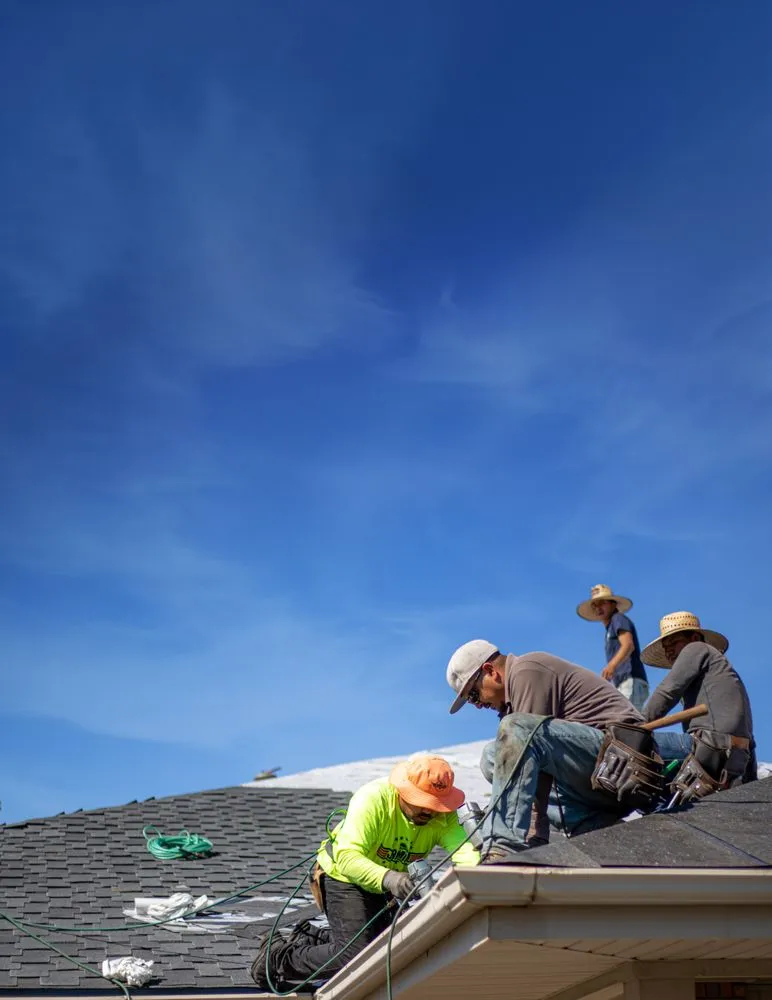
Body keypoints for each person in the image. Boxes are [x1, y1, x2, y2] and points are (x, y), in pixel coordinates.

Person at [446, 640, 690, 860]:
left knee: (515, 730)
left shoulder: (526, 670)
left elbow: (533, 766)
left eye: (474, 696)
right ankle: (594, 827)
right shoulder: (513, 699)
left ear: (490, 671)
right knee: (493, 755)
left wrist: (530, 840)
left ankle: (505, 844)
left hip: (624, 757)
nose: (478, 706)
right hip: (596, 774)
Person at [251, 754, 478, 991]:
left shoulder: (443, 813)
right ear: (403, 790)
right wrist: (389, 878)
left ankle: (309, 939)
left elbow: (467, 854)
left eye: (435, 804)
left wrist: (473, 883)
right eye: (422, 802)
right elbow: (347, 857)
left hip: (384, 884)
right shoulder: (373, 799)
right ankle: (276, 959)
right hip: (344, 876)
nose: (429, 811)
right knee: (357, 957)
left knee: (399, 945)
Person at [641, 611, 756, 794]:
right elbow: (749, 739)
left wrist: (634, 726)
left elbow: (667, 691)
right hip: (734, 757)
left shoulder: (696, 648)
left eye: (673, 642)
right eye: (665, 646)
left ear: (694, 637)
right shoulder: (723, 674)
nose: (668, 650)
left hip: (708, 745)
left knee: (635, 746)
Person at [576, 584, 649, 710]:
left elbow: (628, 645)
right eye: (595, 605)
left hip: (630, 679)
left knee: (626, 720)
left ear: (613, 604)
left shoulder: (618, 619)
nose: (598, 608)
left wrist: (611, 666)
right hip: (623, 682)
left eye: (602, 603)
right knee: (627, 720)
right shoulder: (610, 628)